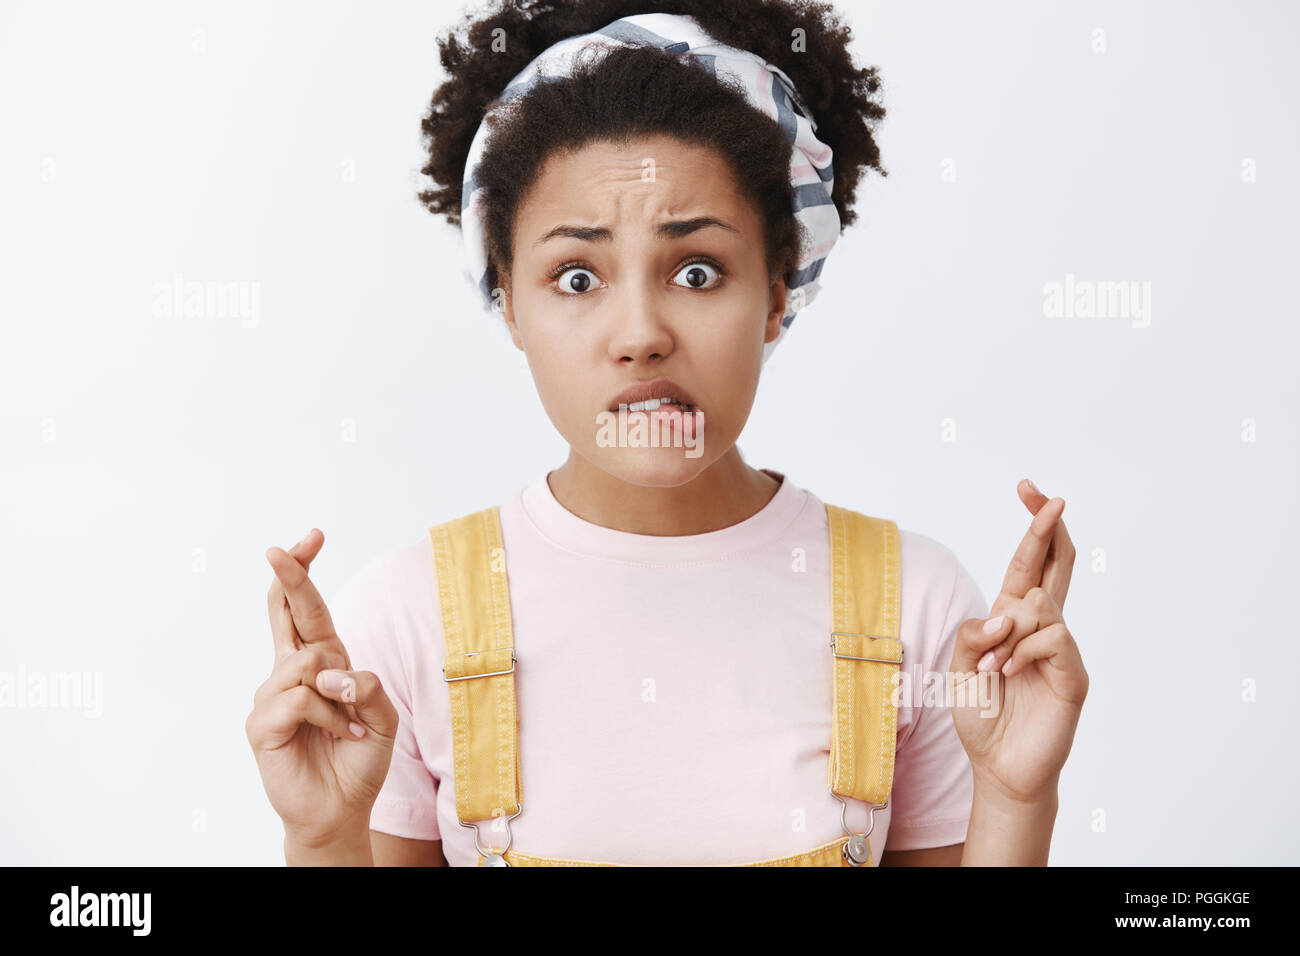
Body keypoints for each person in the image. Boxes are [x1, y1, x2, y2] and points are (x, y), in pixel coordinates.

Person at [246, 0, 1088, 867]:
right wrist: (321, 836)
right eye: (577, 277)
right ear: (507, 302)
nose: (640, 332)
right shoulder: (403, 619)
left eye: (696, 270)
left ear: (776, 291)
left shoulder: (920, 606)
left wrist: (1019, 796)